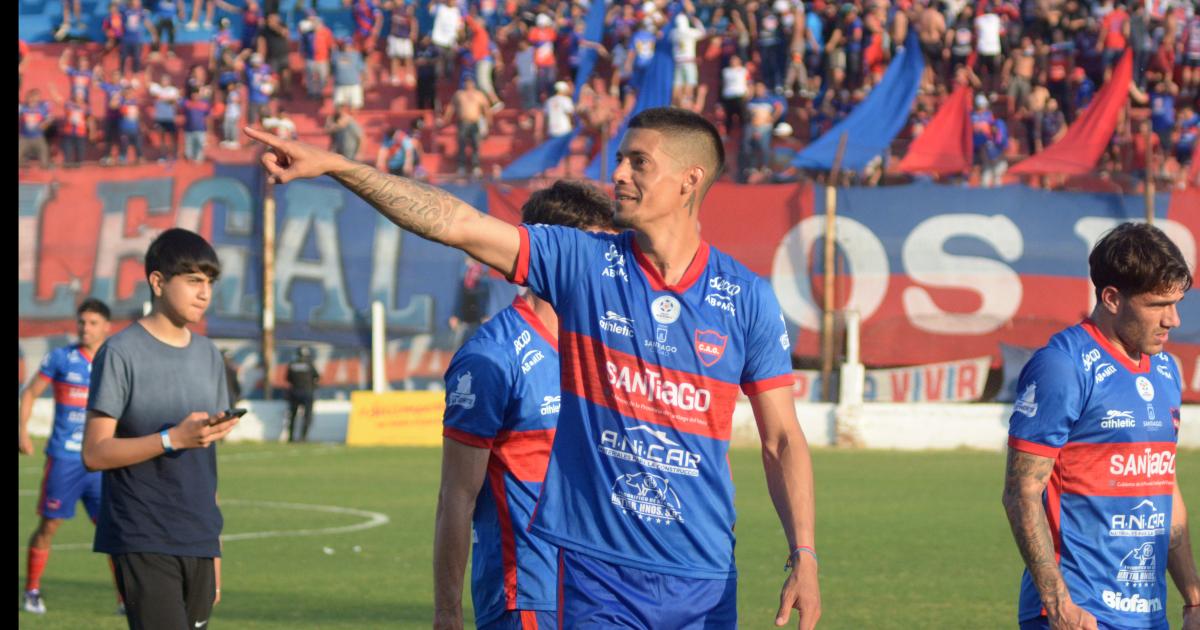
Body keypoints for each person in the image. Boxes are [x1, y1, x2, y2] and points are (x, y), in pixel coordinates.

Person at [244, 105, 820, 629]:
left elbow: (781, 439)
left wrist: (805, 554)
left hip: (706, 577)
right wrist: (342, 167)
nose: (618, 174)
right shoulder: (583, 262)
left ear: (691, 180)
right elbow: (454, 222)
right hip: (597, 578)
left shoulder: (746, 296)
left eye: (638, 162)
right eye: (619, 159)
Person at [433, 180, 615, 630]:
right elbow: (456, 495)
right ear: (555, 251)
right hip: (530, 596)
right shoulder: (493, 357)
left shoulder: (606, 344)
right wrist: (447, 613)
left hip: (609, 593)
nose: (611, 268)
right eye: (599, 252)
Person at [1003, 222, 1200, 630]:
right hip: (1079, 615)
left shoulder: (1165, 369)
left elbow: (1163, 484)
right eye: (1158, 305)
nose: (1173, 319)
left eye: (1177, 302)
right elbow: (1021, 491)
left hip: (1149, 615)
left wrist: (1193, 596)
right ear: (1111, 297)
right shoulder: (1063, 366)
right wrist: (1058, 604)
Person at [82, 228, 240, 630]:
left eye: (209, 282)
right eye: (193, 281)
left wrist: (214, 548)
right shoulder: (120, 352)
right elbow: (95, 452)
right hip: (143, 534)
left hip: (198, 538)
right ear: (157, 282)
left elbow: (207, 465)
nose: (204, 293)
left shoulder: (208, 356)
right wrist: (173, 439)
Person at [19, 299, 117, 615]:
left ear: (106, 327)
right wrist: (21, 430)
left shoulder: (114, 361)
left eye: (92, 323)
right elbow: (30, 392)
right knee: (49, 526)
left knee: (116, 531)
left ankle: (125, 599)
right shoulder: (62, 358)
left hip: (102, 461)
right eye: (81, 322)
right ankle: (31, 590)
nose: (84, 328)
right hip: (65, 459)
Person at [439, 74, 492, 178]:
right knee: (461, 144)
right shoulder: (459, 94)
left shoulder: (479, 95)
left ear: (473, 83)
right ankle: (461, 166)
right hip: (463, 122)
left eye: (470, 82)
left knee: (475, 144)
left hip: (475, 122)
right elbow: (451, 108)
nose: (468, 84)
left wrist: (489, 123)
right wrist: (445, 119)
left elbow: (486, 109)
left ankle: (476, 166)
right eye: (466, 82)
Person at [286, 346, 319, 443]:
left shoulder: (292, 364)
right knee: (307, 416)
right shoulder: (309, 364)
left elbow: (288, 378)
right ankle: (303, 437)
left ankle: (291, 437)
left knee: (293, 416)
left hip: (294, 392)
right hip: (307, 392)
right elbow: (317, 376)